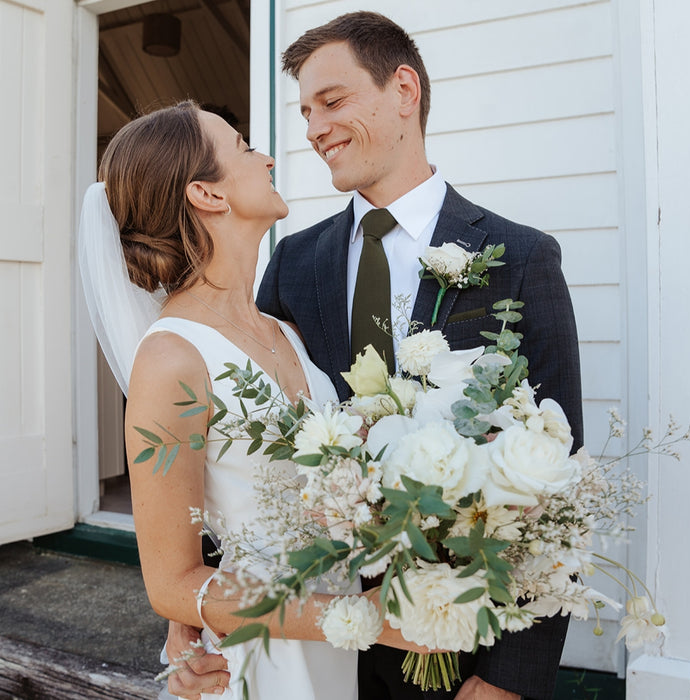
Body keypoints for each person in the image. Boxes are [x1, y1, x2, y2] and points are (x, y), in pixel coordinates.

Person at [165, 11, 583, 700]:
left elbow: (557, 479)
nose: (312, 128)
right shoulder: (295, 262)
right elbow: (242, 445)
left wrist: (510, 679)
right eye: (304, 111)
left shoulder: (520, 259)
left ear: (404, 90)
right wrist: (197, 612)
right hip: (309, 638)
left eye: (331, 101)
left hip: (454, 646)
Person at [78, 100, 424, 700]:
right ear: (207, 195)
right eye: (242, 147)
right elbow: (171, 583)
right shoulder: (171, 359)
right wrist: (368, 619)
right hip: (256, 663)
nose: (265, 157)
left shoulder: (284, 330)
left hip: (333, 657)